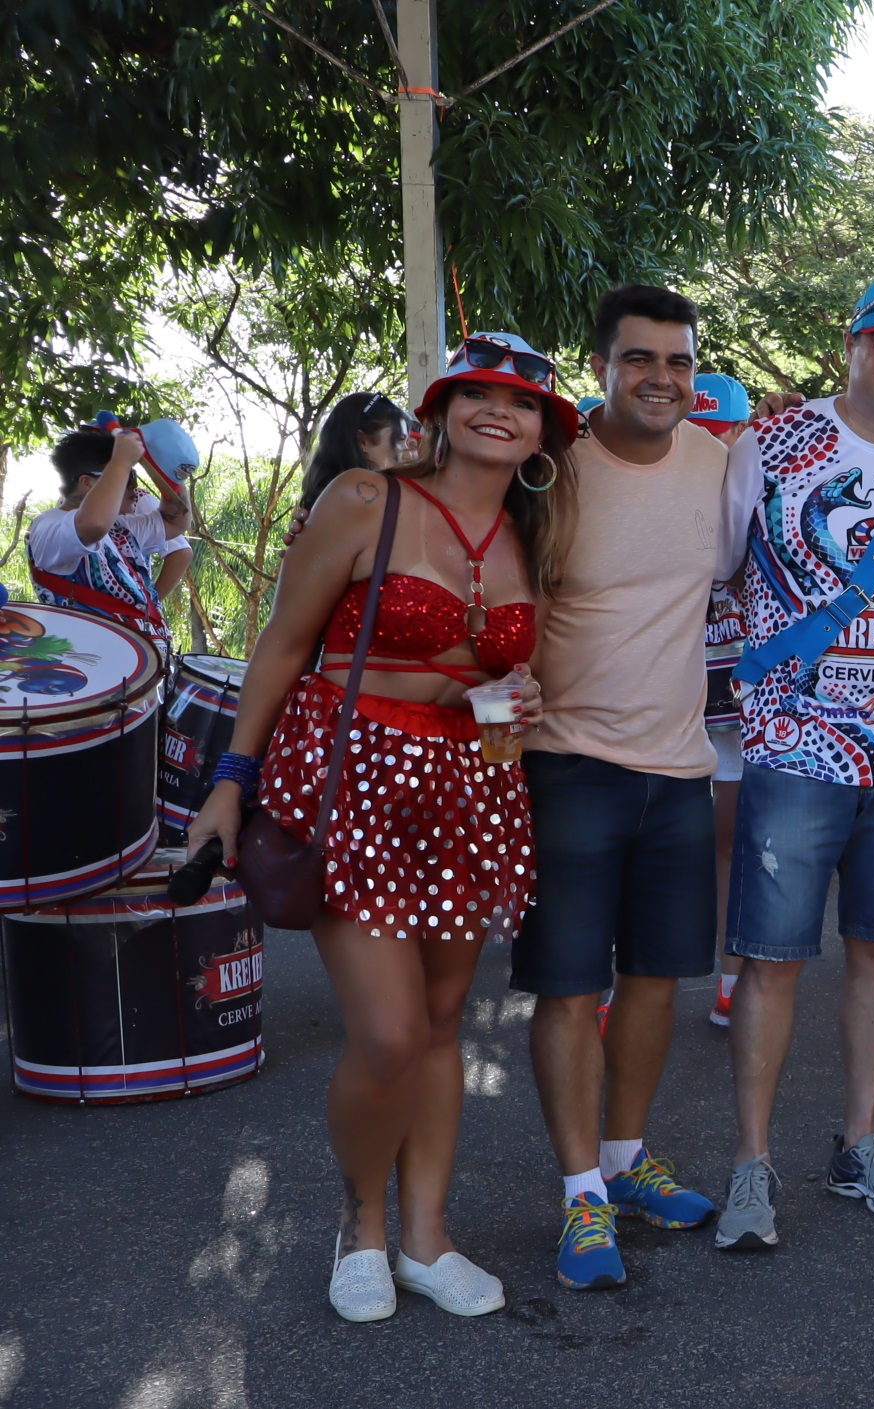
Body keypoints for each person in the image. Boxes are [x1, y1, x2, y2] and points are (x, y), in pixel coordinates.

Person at [185, 332, 576, 1322]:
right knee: (392, 1031)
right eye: (478, 393)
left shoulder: (537, 536)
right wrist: (230, 779)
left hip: (468, 789)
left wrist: (513, 709)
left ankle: (427, 1239)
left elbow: (509, 695)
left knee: (443, 1024)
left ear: (541, 433)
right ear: (440, 409)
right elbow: (282, 644)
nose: (501, 411)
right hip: (350, 772)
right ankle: (359, 1225)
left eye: (523, 403)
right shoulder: (369, 500)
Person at [709, 279, 874, 1248]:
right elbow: (714, 565)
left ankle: (860, 1138)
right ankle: (751, 1161)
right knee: (771, 957)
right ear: (853, 343)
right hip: (794, 743)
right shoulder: (771, 444)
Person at [514, 286, 727, 1291]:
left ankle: (624, 1155)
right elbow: (505, 622)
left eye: (679, 361)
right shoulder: (550, 477)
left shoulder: (718, 464)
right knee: (569, 986)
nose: (663, 378)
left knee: (656, 979)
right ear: (601, 366)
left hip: (681, 770)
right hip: (568, 768)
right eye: (641, 359)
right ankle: (577, 1193)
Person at [689, 371, 755, 1029]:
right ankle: (610, 983)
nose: (709, 447)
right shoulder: (650, 485)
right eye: (695, 433)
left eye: (718, 434)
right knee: (644, 841)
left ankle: (731, 979)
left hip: (736, 703)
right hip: (661, 699)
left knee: (731, 846)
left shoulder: (758, 487)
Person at [29, 423, 193, 655]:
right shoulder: (49, 524)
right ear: (87, 483)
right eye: (127, 478)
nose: (134, 488)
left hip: (140, 665)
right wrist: (121, 461)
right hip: (91, 667)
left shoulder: (120, 527)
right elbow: (93, 524)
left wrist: (171, 477)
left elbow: (176, 521)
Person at [300, 392, 418, 512]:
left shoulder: (325, 502)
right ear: (363, 441)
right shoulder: (362, 503)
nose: (408, 454)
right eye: (400, 440)